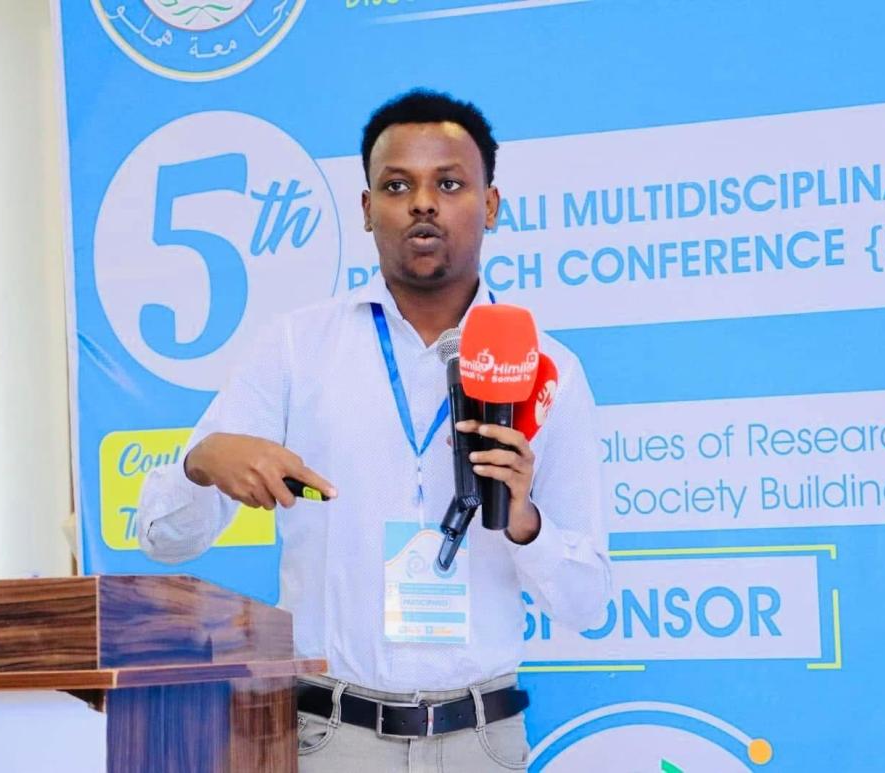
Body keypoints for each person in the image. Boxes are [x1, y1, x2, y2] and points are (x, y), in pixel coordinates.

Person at [136, 89, 611, 772]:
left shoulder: (546, 369)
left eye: (449, 184)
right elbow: (163, 536)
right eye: (397, 185)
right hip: (331, 737)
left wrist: (525, 521)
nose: (423, 204)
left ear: (491, 205)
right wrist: (202, 462)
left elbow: (587, 603)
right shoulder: (296, 348)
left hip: (481, 741)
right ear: (366, 209)